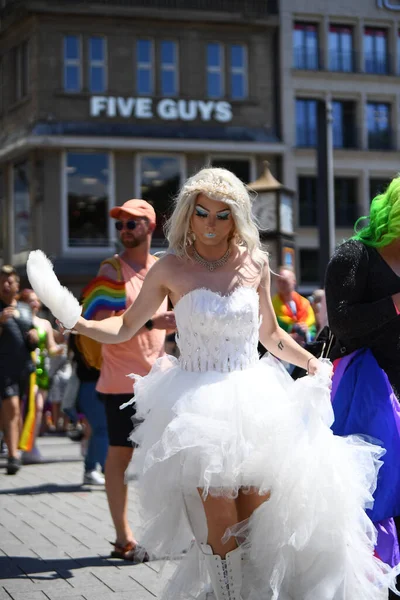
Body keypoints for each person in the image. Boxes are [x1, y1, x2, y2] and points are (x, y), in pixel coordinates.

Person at [29, 168, 399, 599]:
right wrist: (80, 324)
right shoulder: (170, 268)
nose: (210, 223)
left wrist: (313, 364)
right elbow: (127, 327)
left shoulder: (255, 264)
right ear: (187, 214)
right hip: (198, 410)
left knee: (257, 524)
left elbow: (272, 336)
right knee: (220, 531)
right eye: (201, 212)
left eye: (222, 215)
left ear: (236, 218)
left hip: (258, 404)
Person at [325, 176, 400, 589]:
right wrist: (396, 303)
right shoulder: (354, 255)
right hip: (364, 397)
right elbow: (340, 322)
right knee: (371, 504)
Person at [91, 199, 175, 561]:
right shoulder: (111, 271)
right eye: (120, 225)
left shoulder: (161, 269)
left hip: (159, 379)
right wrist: (154, 323)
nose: (125, 230)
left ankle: (176, 533)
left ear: (150, 227)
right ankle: (123, 537)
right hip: (121, 381)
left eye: (132, 223)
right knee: (121, 456)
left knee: (171, 456)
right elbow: (98, 321)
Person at [0, 266, 38, 474]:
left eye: (10, 281)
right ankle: (13, 456)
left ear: (17, 285)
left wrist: (34, 338)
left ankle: (11, 444)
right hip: (3, 369)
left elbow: (33, 341)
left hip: (25, 369)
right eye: (2, 281)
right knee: (12, 409)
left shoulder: (24, 309)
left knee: (16, 411)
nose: (6, 285)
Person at [19, 289, 64, 462]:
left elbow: (51, 347)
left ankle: (31, 445)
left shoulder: (44, 323)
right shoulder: (19, 319)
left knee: (37, 408)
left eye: (37, 300)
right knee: (22, 408)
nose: (35, 304)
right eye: (30, 300)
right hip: (23, 370)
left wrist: (60, 349)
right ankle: (17, 443)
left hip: (41, 370)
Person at [69, 334, 108, 486]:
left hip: (92, 385)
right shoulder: (85, 330)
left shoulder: (83, 327)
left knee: (97, 430)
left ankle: (91, 470)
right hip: (92, 386)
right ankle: (109, 472)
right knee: (101, 430)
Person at [272, 266, 317, 347]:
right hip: (282, 351)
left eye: (284, 281)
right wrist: (289, 337)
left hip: (304, 349)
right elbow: (270, 332)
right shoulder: (272, 305)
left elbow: (312, 329)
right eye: (279, 281)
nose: (281, 284)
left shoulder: (305, 303)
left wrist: (306, 331)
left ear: (294, 281)